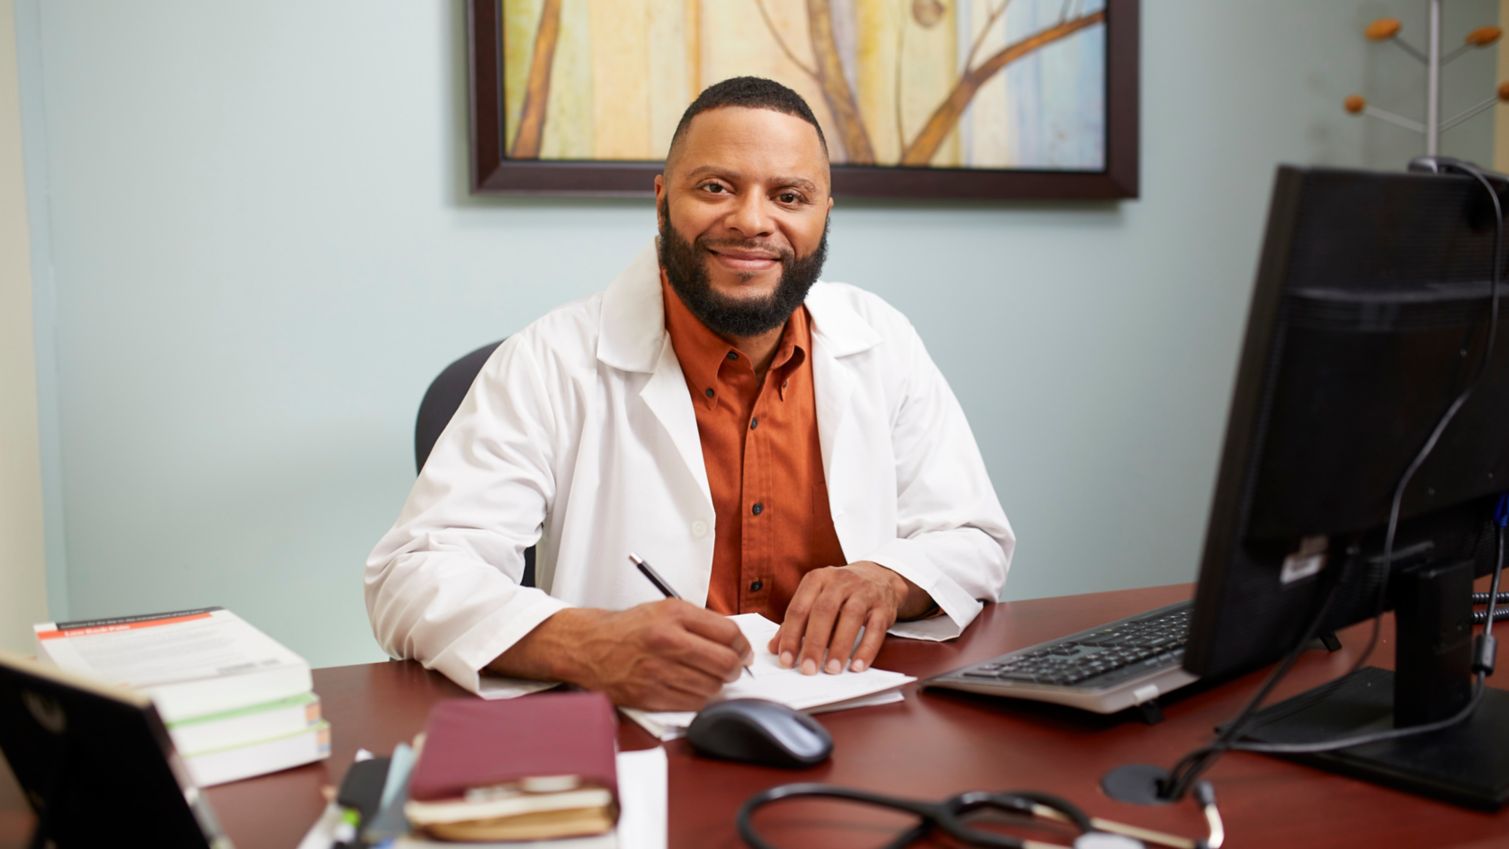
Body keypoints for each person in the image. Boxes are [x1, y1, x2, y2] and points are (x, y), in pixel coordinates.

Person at [366, 76, 1013, 711]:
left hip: (850, 719)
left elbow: (972, 534)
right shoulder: (548, 358)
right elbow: (413, 572)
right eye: (715, 187)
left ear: (823, 214)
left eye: (788, 195)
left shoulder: (880, 339)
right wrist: (586, 641)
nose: (752, 221)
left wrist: (888, 579)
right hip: (636, 734)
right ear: (660, 199)